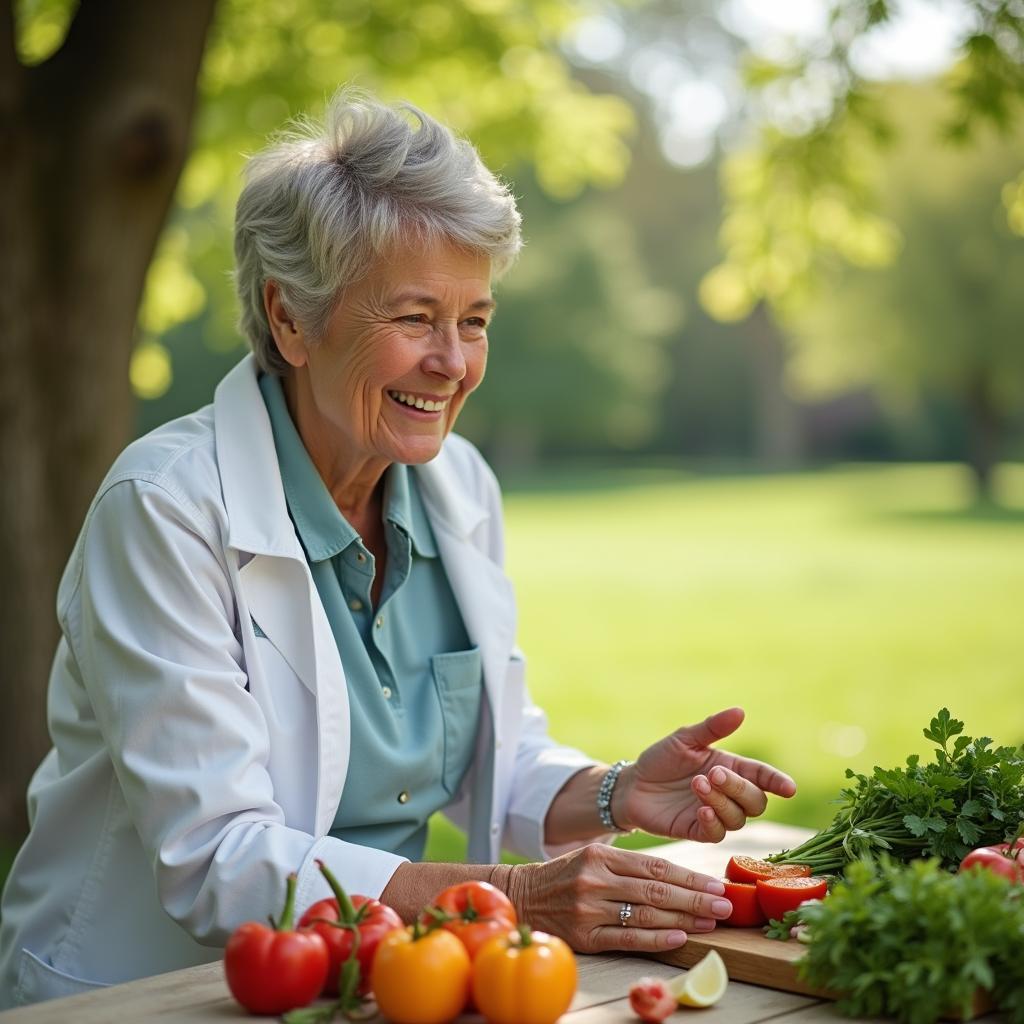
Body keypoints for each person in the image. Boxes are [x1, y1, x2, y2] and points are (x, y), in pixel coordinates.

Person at [0, 88, 796, 1008]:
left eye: (476, 320)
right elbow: (214, 855)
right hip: (144, 993)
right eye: (415, 318)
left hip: (375, 982)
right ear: (292, 318)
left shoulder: (460, 486)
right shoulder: (165, 507)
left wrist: (618, 793)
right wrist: (513, 900)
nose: (453, 363)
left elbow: (489, 755)